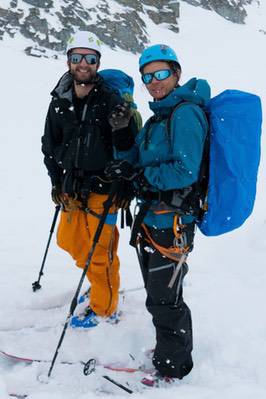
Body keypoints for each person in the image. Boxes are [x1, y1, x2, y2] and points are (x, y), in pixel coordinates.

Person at [106, 44, 210, 386]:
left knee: (166, 300)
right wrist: (122, 135)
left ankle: (173, 368)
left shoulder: (185, 113)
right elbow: (135, 158)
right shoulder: (157, 118)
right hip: (152, 220)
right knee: (159, 296)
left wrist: (141, 177)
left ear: (177, 73)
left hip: (173, 223)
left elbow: (185, 170)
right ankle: (168, 351)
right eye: (147, 77)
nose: (154, 82)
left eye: (161, 73)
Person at [41, 30, 140, 329]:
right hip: (72, 188)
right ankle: (103, 281)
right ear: (68, 60)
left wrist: (125, 188)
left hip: (105, 189)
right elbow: (49, 145)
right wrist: (57, 183)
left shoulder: (110, 101)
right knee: (68, 241)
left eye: (90, 58)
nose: (83, 63)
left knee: (99, 252)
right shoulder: (59, 101)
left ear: (98, 62)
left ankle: (105, 306)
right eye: (77, 57)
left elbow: (127, 149)